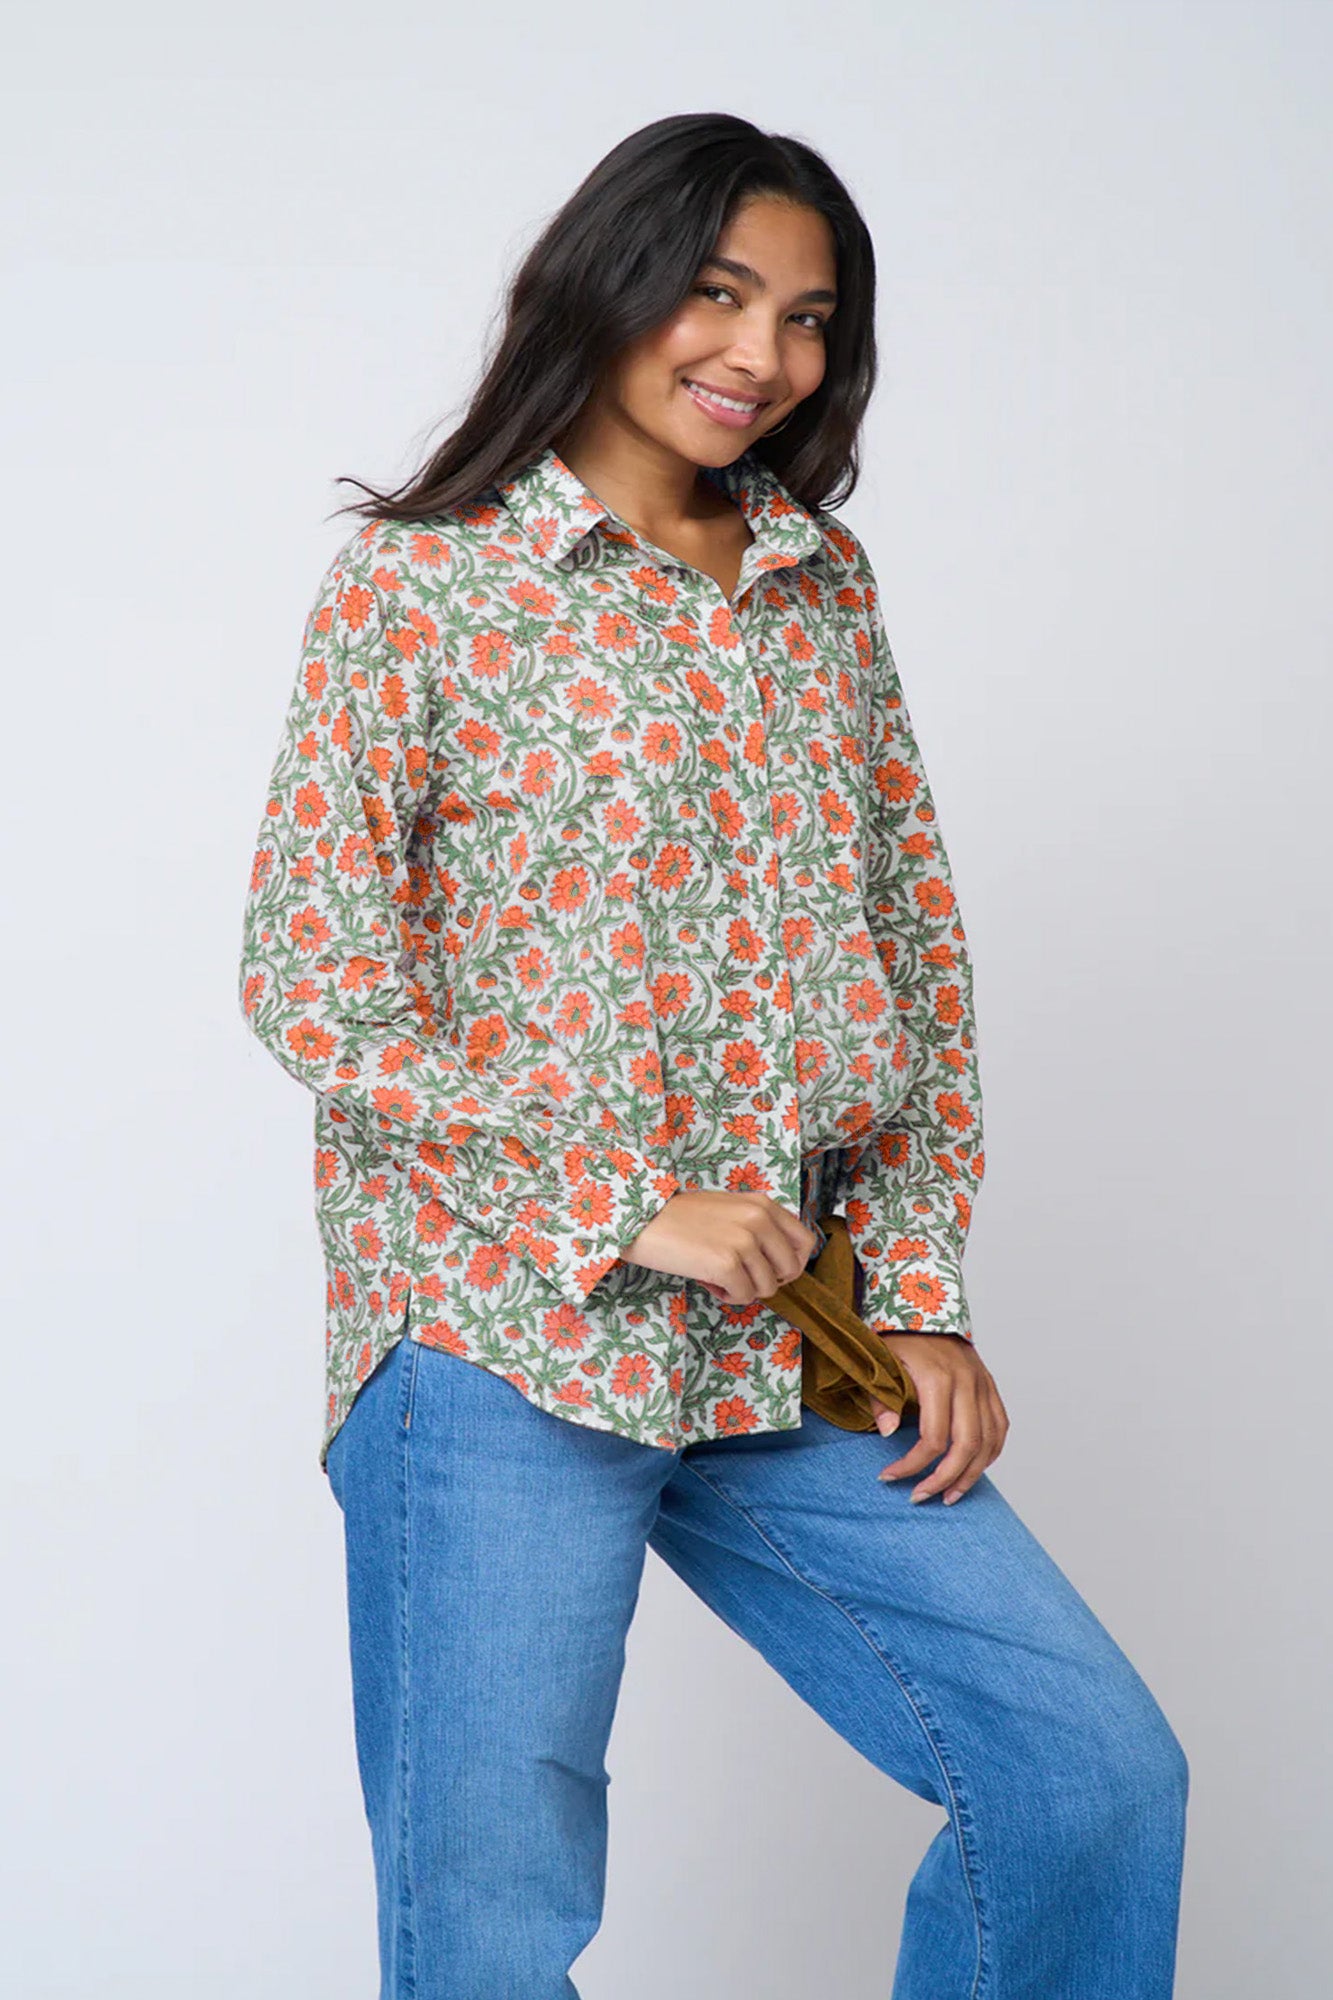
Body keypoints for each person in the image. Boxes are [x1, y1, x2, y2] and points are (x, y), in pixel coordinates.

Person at [236, 111, 1189, 2000]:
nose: (762, 353)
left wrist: (916, 1293)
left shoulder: (820, 586)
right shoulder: (421, 586)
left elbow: (910, 952)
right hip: (497, 1334)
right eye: (717, 292)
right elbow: (312, 973)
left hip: (791, 1339)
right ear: (604, 283)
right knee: (491, 1924)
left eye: (809, 317)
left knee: (1084, 1776)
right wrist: (622, 1203)